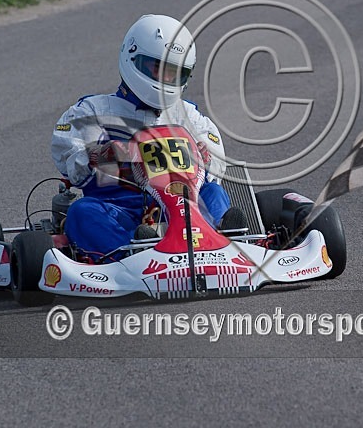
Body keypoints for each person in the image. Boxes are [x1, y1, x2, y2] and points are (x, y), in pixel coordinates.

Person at [51, 14, 245, 258]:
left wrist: (205, 157)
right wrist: (109, 154)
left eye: (173, 73)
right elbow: (71, 164)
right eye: (158, 69)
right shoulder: (93, 112)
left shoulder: (189, 116)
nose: (165, 79)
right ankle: (136, 252)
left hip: (187, 209)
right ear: (133, 58)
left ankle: (226, 240)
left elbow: (217, 168)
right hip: (120, 209)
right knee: (81, 212)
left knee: (214, 193)